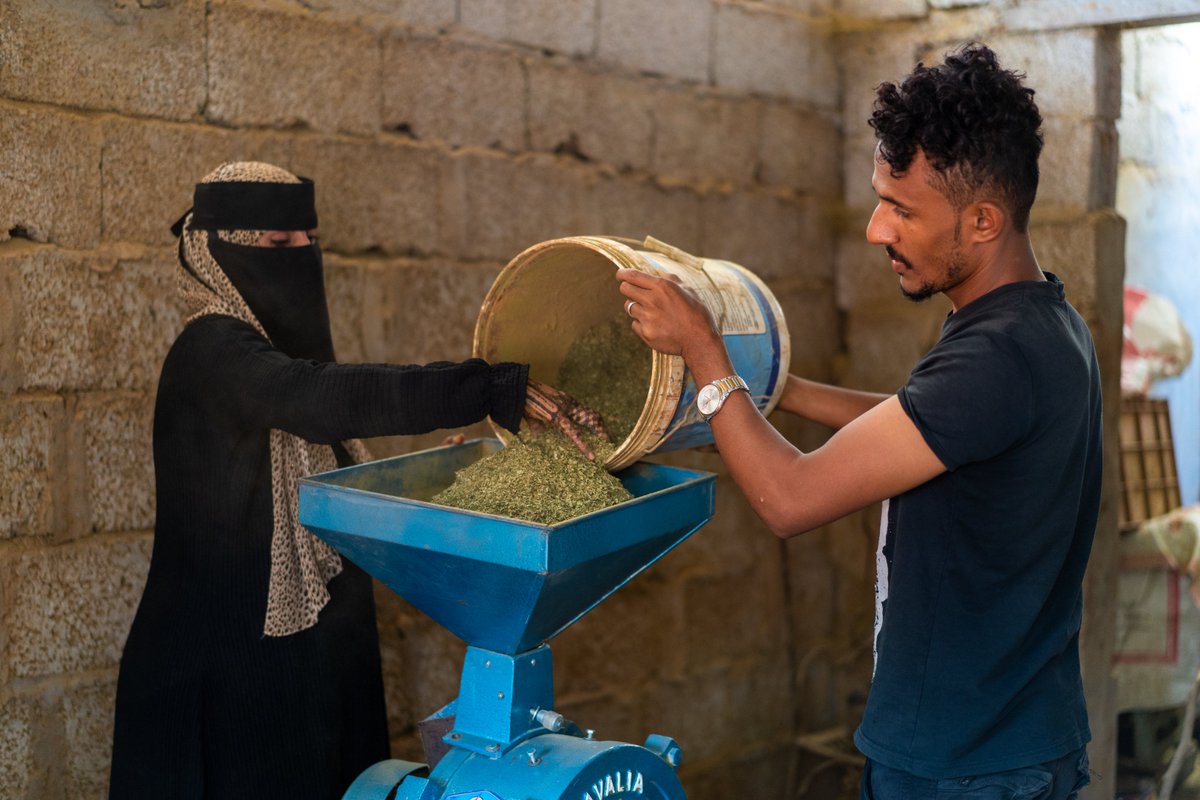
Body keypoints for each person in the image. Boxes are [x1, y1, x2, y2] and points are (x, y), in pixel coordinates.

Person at [616, 44, 1100, 799]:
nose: (877, 230)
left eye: (902, 210)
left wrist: (706, 355)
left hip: (964, 764)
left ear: (981, 220)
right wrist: (783, 388)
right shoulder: (1043, 321)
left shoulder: (994, 357)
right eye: (880, 199)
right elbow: (923, 429)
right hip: (1017, 735)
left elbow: (789, 499)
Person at [109, 161, 601, 799]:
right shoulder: (213, 350)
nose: (302, 256)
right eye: (278, 246)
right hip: (226, 664)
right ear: (218, 252)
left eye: (311, 241)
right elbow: (314, 400)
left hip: (308, 660)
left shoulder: (274, 352)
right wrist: (484, 386)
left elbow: (334, 448)